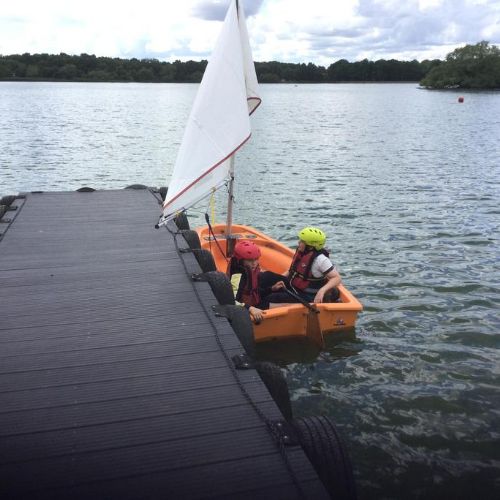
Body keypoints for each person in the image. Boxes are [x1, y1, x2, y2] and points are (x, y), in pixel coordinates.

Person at [267, 227, 341, 305]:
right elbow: (291, 271)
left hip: (307, 295)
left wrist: (322, 291)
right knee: (267, 283)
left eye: (302, 241)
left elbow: (337, 278)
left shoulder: (321, 260)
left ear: (310, 246)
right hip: (294, 287)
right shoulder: (301, 253)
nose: (298, 242)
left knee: (271, 297)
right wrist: (278, 280)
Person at [228, 240, 284, 321]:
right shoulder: (238, 277)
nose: (254, 263)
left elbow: (253, 291)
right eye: (250, 260)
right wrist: (250, 309)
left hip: (254, 302)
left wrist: (271, 289)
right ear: (241, 260)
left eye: (256, 259)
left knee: (278, 296)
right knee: (284, 305)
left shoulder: (251, 270)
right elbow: (231, 301)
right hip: (246, 310)